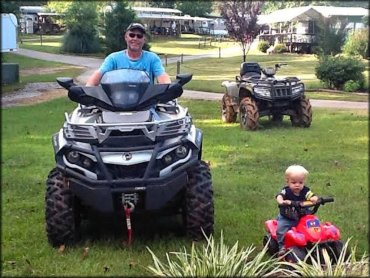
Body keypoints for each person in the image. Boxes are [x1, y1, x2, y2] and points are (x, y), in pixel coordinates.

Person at [86, 22, 171, 86]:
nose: (135, 38)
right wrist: (87, 90)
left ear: (144, 40)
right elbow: (98, 74)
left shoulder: (152, 58)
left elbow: (162, 77)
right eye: (132, 35)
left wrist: (169, 88)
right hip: (116, 106)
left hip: (146, 106)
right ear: (126, 37)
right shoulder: (113, 58)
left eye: (139, 36)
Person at [275, 165, 318, 256]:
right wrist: (281, 201)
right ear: (288, 181)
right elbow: (280, 196)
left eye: (300, 182)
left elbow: (311, 195)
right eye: (294, 182)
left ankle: (315, 241)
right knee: (281, 229)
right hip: (288, 216)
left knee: (313, 225)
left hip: (303, 215)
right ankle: (282, 247)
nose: (297, 185)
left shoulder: (305, 191)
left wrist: (314, 198)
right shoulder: (286, 191)